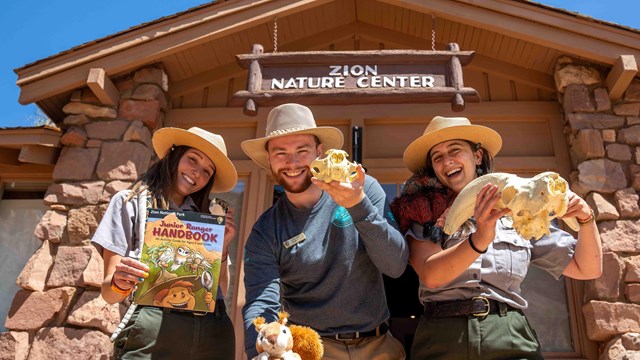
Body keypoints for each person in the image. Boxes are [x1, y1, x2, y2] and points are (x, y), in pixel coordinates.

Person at [390, 116, 603, 359]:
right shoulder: (420, 211)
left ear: (477, 156)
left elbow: (587, 268)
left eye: (454, 150)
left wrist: (586, 220)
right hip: (442, 338)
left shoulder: (519, 207)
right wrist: (480, 238)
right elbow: (432, 275)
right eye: (437, 157)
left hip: (510, 335)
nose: (447, 161)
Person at [240, 103, 409, 359]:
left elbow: (395, 265)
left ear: (320, 152)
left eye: (302, 150)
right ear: (269, 159)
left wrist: (357, 206)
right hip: (311, 349)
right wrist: (261, 351)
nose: (292, 162)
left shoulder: (363, 189)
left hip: (379, 344)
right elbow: (262, 302)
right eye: (280, 153)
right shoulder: (265, 230)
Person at [92, 127, 238, 359]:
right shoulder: (128, 203)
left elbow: (219, 291)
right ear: (173, 154)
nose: (197, 173)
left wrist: (222, 250)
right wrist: (120, 282)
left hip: (213, 331)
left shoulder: (209, 220)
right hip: (150, 324)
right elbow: (110, 295)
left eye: (207, 171)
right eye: (192, 159)